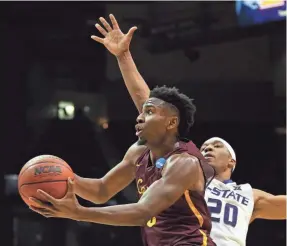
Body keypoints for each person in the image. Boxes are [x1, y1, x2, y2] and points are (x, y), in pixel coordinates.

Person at [91, 14, 287, 246]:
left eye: (217, 146)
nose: (207, 148)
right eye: (205, 145)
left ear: (231, 162)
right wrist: (124, 57)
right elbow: (148, 104)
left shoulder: (250, 195)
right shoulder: (185, 170)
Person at [29, 50, 216, 246]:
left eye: (149, 112)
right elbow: (102, 190)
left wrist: (78, 213)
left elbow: (143, 212)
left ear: (171, 123)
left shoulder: (184, 163)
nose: (139, 117)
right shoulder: (140, 153)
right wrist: (62, 177)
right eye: (142, 113)